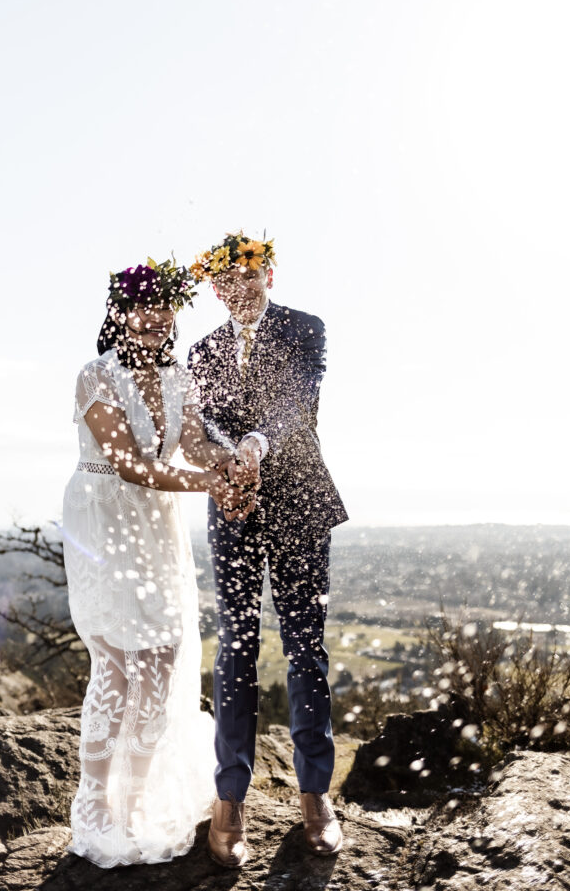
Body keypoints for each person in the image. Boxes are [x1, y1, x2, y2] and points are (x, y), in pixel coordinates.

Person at [62, 258, 251, 868]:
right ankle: (94, 798)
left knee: (163, 659)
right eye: (141, 308)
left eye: (162, 309)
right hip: (104, 517)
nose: (152, 320)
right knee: (117, 662)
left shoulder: (179, 379)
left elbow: (195, 444)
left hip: (156, 527)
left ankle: (135, 797)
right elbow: (129, 464)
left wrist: (233, 460)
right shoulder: (96, 375)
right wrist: (210, 484)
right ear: (118, 312)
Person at [188, 233, 349, 867]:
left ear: (269, 276)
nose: (239, 291)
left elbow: (296, 402)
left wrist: (254, 443)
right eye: (226, 283)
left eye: (249, 279)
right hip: (234, 506)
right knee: (235, 646)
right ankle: (230, 799)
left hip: (301, 500)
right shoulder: (202, 351)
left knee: (306, 646)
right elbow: (201, 425)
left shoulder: (305, 329)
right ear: (214, 288)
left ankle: (316, 796)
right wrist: (224, 469)